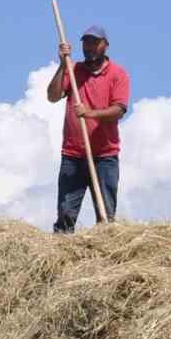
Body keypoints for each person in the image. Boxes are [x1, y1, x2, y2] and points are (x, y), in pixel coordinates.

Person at [45, 24, 130, 232]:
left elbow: (118, 110)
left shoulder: (118, 75)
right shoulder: (74, 71)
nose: (90, 47)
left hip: (104, 156)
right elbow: (53, 96)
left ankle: (105, 258)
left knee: (106, 216)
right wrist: (63, 65)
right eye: (86, 43)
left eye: (95, 43)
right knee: (65, 215)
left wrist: (90, 113)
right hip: (73, 155)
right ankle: (60, 258)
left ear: (105, 46)